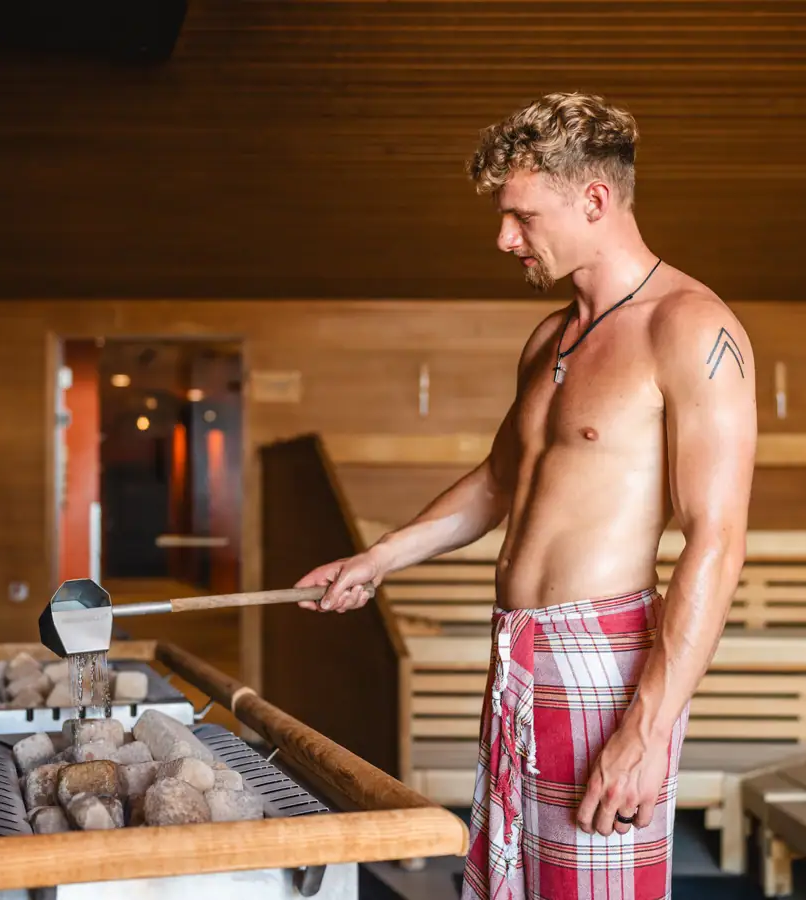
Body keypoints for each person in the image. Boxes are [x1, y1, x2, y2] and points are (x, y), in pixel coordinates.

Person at [295, 92, 756, 900]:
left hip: (608, 667)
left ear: (595, 199)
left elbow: (716, 540)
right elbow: (501, 481)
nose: (504, 238)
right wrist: (378, 558)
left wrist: (646, 729)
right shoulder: (551, 337)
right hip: (517, 655)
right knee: (507, 886)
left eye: (521, 217)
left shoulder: (689, 329)